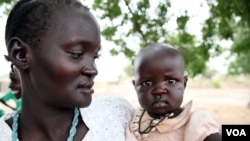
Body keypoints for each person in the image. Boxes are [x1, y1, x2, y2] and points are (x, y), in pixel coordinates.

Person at [0, 0, 134, 140]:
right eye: (77, 54)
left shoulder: (116, 117)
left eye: (95, 56)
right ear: (20, 54)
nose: (93, 70)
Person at [126, 43, 221, 141]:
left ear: (184, 84)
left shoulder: (196, 122)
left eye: (170, 81)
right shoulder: (136, 125)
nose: (159, 90)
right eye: (147, 83)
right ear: (135, 87)